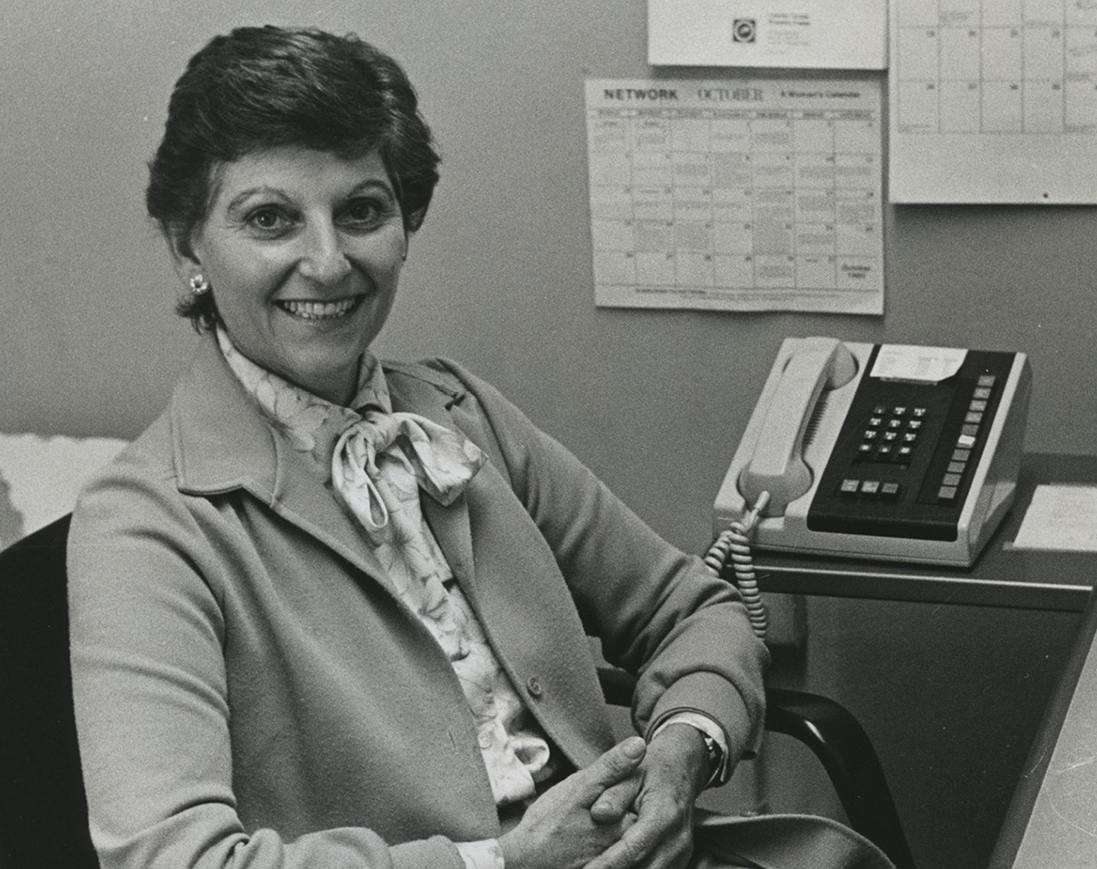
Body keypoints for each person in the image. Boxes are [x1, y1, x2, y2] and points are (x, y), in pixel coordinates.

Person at [67, 25, 894, 869]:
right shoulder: (143, 524)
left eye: (361, 211)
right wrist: (497, 863)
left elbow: (694, 607)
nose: (328, 260)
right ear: (187, 248)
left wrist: (687, 748)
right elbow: (172, 861)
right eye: (271, 219)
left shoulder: (459, 412)